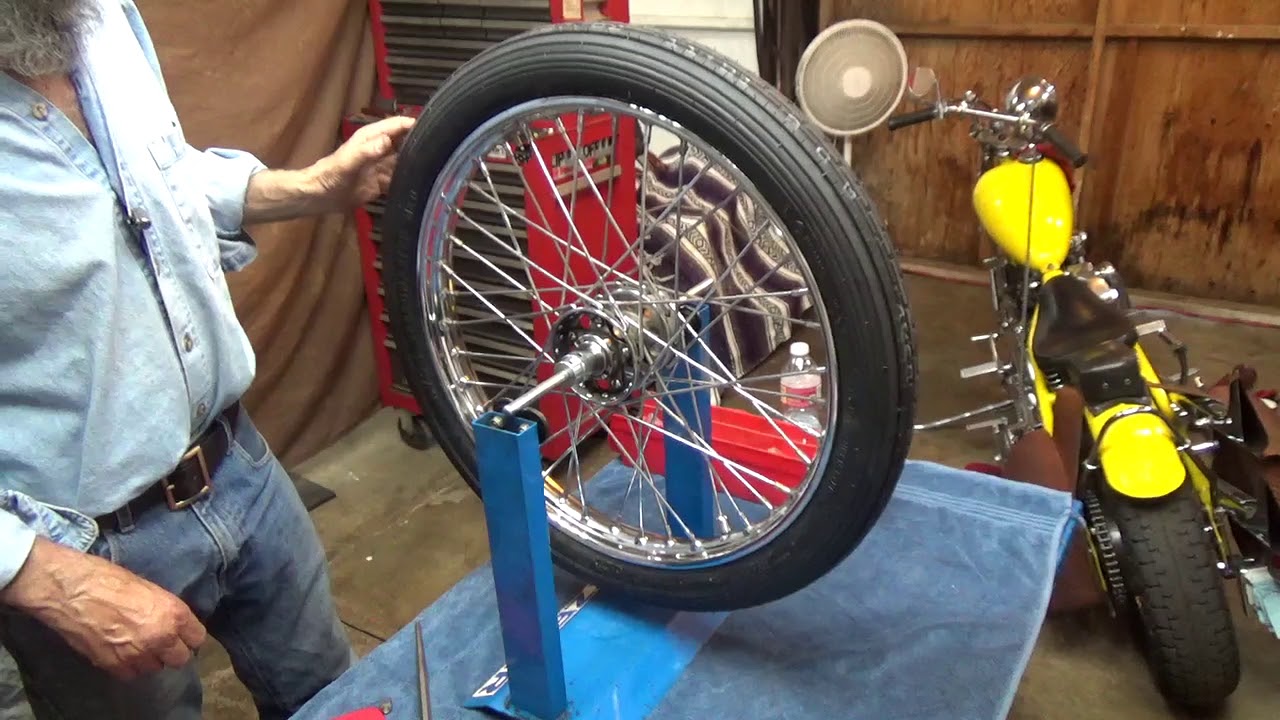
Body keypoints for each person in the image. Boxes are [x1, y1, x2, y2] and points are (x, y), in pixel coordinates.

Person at [0, 1, 417, 718]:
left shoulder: (97, 14)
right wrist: (41, 576)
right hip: (82, 548)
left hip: (239, 466)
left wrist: (316, 186)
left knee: (337, 697)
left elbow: (155, 179)